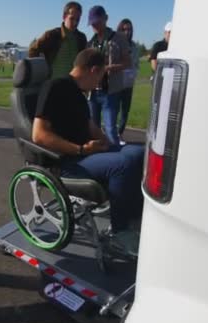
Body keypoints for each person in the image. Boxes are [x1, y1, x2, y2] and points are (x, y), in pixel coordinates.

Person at [32, 48, 144, 255]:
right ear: (93, 70)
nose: (101, 82)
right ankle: (121, 234)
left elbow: (90, 127)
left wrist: (111, 145)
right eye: (102, 75)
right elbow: (38, 135)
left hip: (86, 154)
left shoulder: (78, 94)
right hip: (67, 162)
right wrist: (81, 149)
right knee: (123, 165)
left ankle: (135, 219)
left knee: (138, 154)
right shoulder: (54, 87)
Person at [86, 5, 131, 146]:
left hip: (110, 92)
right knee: (93, 130)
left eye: (97, 22)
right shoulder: (90, 42)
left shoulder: (119, 38)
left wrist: (108, 68)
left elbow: (127, 62)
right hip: (93, 93)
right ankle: (98, 160)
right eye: (92, 24)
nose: (95, 26)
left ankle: (116, 161)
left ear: (105, 19)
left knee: (111, 129)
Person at [28, 1, 87, 79]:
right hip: (53, 84)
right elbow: (33, 50)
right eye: (72, 18)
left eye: (78, 19)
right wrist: (41, 69)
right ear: (64, 16)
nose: (75, 22)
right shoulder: (51, 35)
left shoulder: (81, 38)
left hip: (73, 85)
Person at [116, 18, 140, 145]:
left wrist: (134, 72)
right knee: (114, 110)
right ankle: (111, 135)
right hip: (116, 83)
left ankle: (119, 133)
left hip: (128, 84)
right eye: (124, 29)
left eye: (129, 29)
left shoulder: (135, 47)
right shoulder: (115, 44)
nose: (127, 32)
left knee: (125, 111)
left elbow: (136, 64)